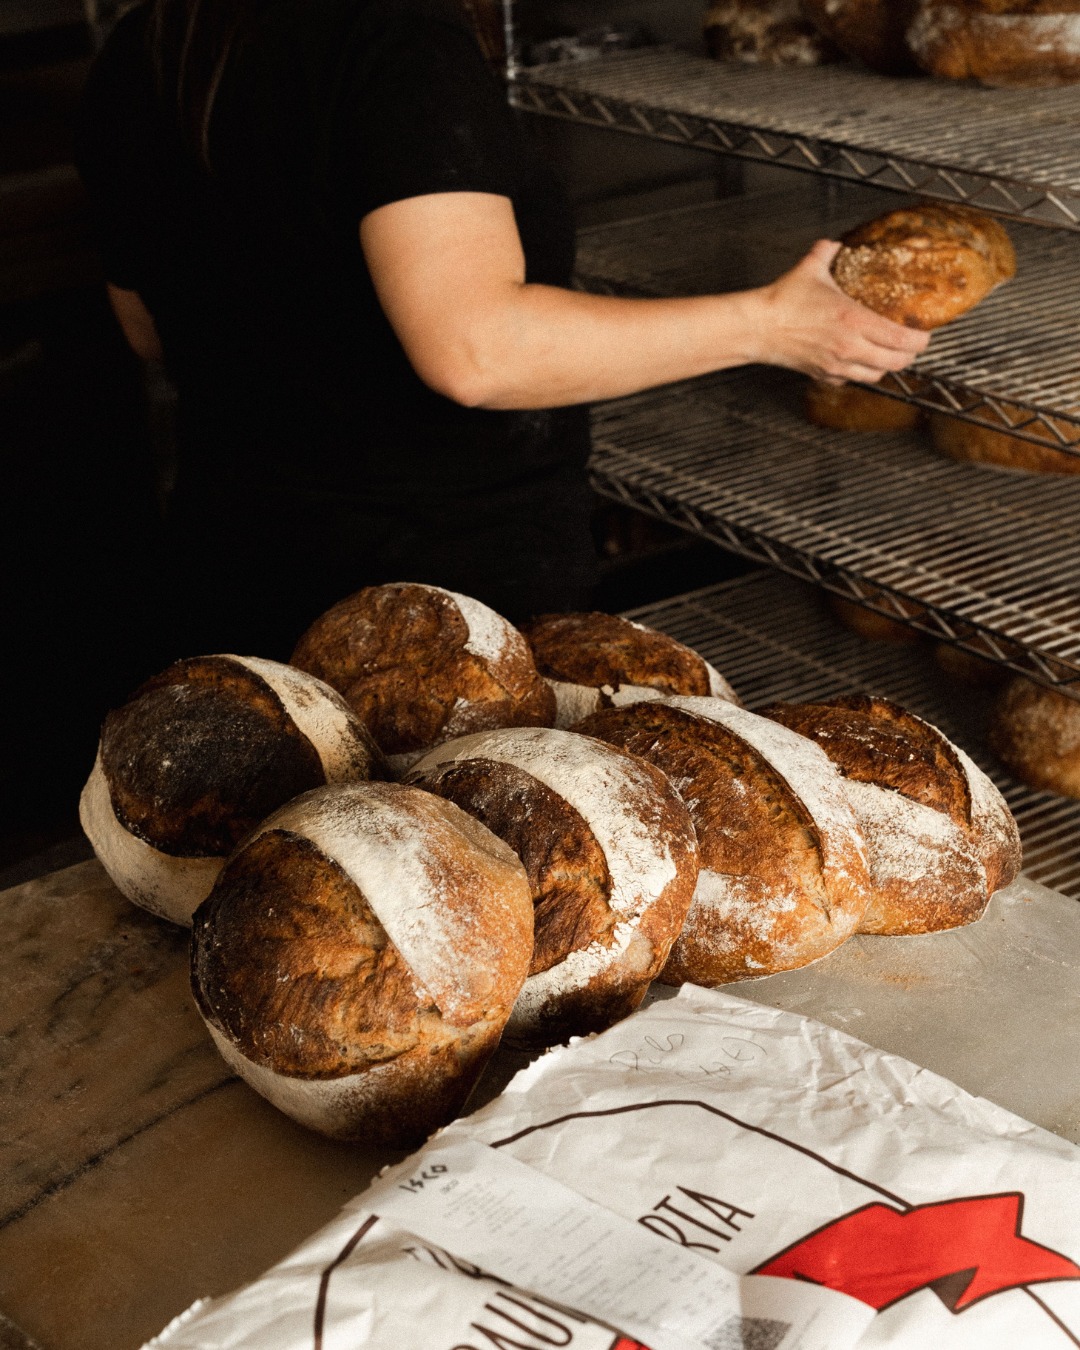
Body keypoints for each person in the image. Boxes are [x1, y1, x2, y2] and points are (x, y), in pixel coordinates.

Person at [75, 0, 928, 657]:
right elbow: (475, 351)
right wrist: (772, 325)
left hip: (230, 572)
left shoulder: (151, 40)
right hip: (433, 622)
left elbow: (146, 329)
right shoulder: (393, 36)